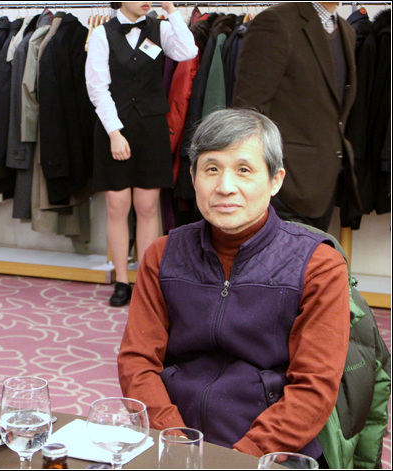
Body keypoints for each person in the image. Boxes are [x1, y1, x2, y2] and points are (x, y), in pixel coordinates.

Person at [117, 109, 350, 462]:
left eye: (244, 170)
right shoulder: (162, 255)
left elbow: (314, 388)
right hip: (174, 441)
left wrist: (241, 458)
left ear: (275, 180)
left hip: (270, 451)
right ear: (193, 177)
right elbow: (137, 362)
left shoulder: (318, 265)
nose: (225, 186)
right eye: (211, 169)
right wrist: (175, 441)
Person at [86, 2, 198, 307]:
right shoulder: (102, 34)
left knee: (148, 207)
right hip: (114, 127)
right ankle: (121, 281)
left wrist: (172, 11)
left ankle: (146, 281)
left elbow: (188, 51)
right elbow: (97, 88)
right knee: (117, 206)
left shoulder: (161, 28)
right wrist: (114, 133)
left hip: (151, 128)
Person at [233, 2, 360, 231]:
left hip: (324, 183)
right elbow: (248, 111)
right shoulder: (276, 22)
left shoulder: (346, 31)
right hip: (281, 186)